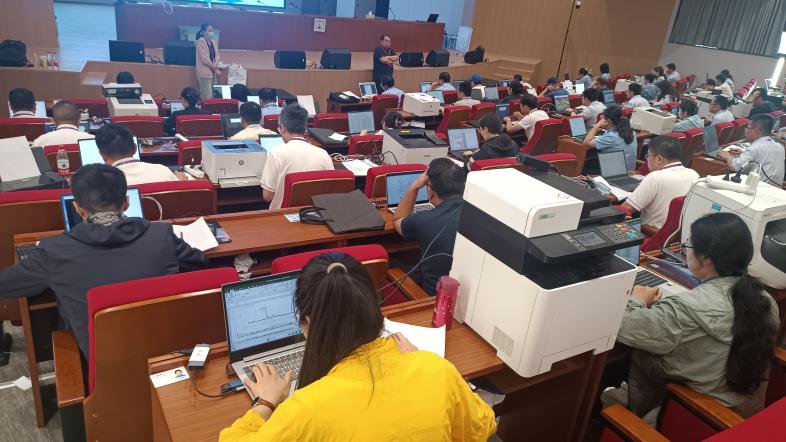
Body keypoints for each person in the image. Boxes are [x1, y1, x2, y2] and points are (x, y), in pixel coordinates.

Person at [219, 253, 496, 441]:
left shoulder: (304, 410)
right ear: (372, 307)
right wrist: (421, 364)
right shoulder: (436, 369)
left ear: (309, 321)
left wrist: (266, 402)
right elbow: (483, 426)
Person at [0, 164, 208, 357]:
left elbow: (6, 285)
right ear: (126, 203)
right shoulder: (161, 234)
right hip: (168, 356)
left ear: (78, 209)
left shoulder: (54, 251)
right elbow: (200, 263)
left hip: (105, 368)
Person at [603, 212, 778, 421]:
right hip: (742, 412)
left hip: (694, 417)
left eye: (687, 246)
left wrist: (637, 299)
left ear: (706, 258)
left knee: (619, 382)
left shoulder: (687, 308)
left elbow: (622, 325)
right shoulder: (765, 300)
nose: (685, 251)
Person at [393, 159, 465, 295]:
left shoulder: (424, 220)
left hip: (432, 298)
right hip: (464, 293)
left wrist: (413, 188)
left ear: (431, 190)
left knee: (393, 262)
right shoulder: (478, 214)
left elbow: (397, 220)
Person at [260, 104, 333, 209]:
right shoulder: (323, 154)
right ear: (305, 129)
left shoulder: (275, 153)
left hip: (282, 214)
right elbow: (329, 189)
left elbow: (267, 196)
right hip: (314, 212)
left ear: (282, 128)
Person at [620, 136, 698, 229]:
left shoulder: (655, 177)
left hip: (649, 233)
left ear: (659, 159)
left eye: (648, 156)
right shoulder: (694, 174)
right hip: (676, 234)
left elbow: (626, 208)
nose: (647, 160)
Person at [96, 123, 177, 185]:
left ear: (102, 155)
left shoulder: (101, 185)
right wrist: (180, 181)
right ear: (135, 148)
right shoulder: (163, 171)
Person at [719, 114, 784, 186]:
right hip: (776, 189)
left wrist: (728, 156)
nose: (745, 130)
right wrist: (744, 153)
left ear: (756, 131)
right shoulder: (779, 146)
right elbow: (764, 159)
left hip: (758, 188)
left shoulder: (755, 148)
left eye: (747, 128)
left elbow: (735, 167)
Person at [584, 105, 637, 171]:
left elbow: (586, 142)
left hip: (615, 173)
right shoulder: (631, 131)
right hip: (629, 171)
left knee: (586, 165)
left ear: (608, 120)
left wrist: (596, 126)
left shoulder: (612, 136)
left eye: (603, 117)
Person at [196, 23, 221, 102]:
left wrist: (216, 63)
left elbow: (217, 55)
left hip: (213, 73)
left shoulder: (213, 41)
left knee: (213, 95)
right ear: (203, 32)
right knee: (207, 97)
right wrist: (215, 69)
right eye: (209, 31)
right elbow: (205, 59)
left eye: (212, 31)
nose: (212, 32)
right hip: (205, 74)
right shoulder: (200, 42)